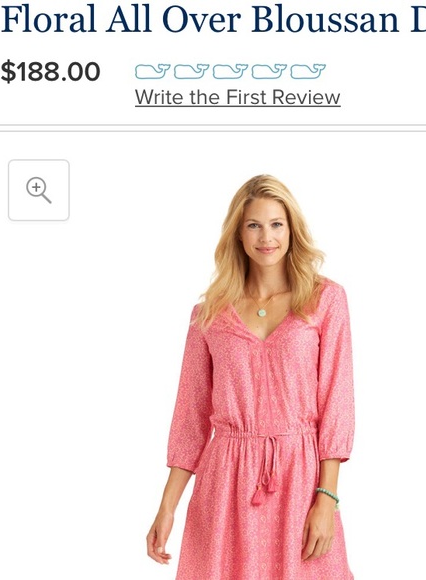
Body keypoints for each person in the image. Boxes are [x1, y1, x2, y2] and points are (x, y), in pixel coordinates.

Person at [147, 174, 355, 579]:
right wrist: (167, 507)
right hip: (225, 483)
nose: (266, 237)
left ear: (291, 230)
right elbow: (190, 418)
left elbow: (337, 402)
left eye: (276, 224)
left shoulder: (325, 300)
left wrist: (327, 497)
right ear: (238, 234)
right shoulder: (209, 315)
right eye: (254, 225)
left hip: (299, 478)